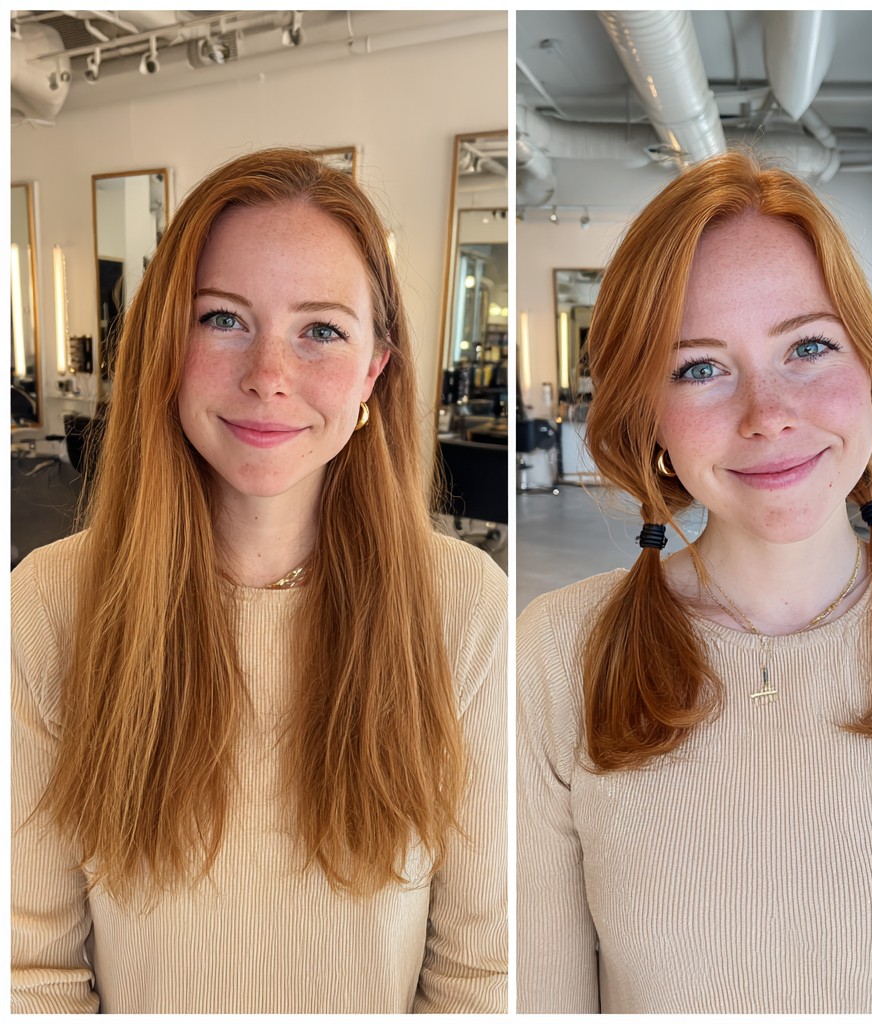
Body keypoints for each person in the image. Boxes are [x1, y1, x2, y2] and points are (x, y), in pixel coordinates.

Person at [12, 148, 507, 1014]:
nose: (268, 375)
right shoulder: (49, 603)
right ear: (166, 345)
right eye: (222, 319)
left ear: (373, 372)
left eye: (320, 329)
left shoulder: (464, 607)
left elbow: (480, 976)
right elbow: (31, 969)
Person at [517, 150, 872, 1014]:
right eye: (699, 367)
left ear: (870, 370)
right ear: (648, 415)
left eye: (808, 346)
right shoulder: (558, 653)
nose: (768, 412)